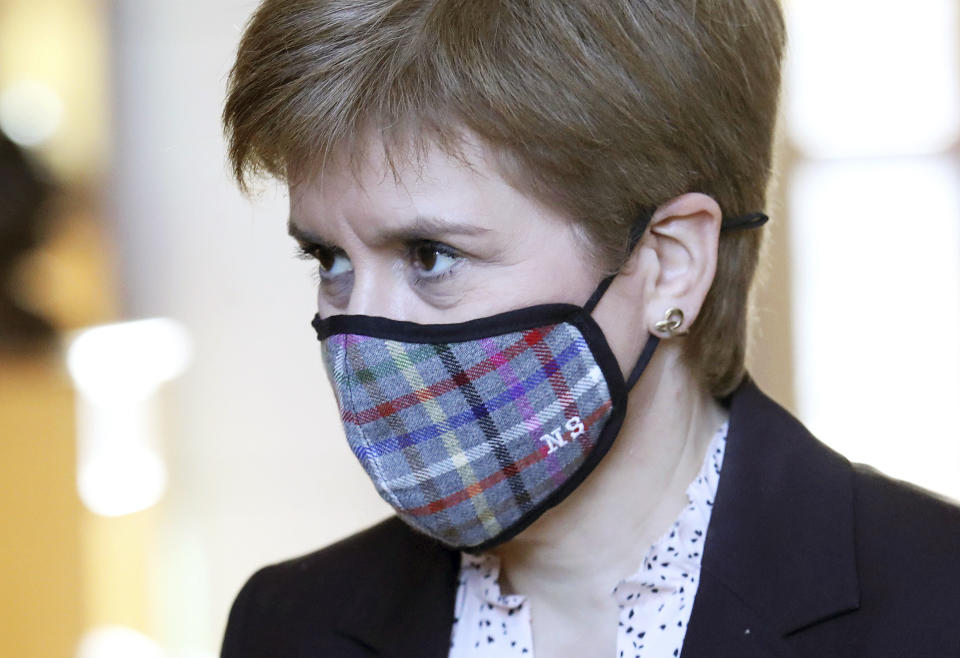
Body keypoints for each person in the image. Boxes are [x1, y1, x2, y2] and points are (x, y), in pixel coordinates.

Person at [219, 1, 960, 656]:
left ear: (670, 264)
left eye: (430, 255)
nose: (362, 328)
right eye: (328, 257)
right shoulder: (287, 625)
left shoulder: (937, 605)